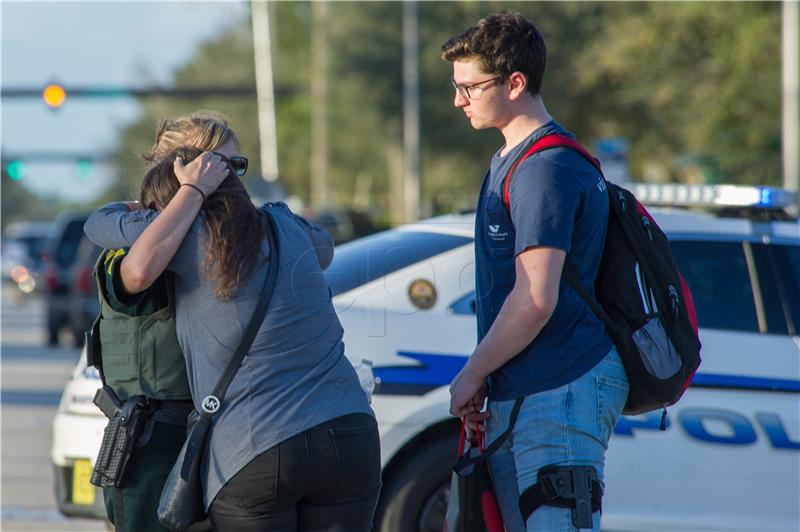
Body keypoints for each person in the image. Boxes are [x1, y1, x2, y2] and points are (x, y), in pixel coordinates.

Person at [84, 131, 381, 529]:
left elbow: (102, 226)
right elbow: (324, 245)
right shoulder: (284, 224)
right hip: (350, 431)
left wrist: (187, 191)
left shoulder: (188, 238)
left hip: (258, 446)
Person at [442, 12, 629, 532]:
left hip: (560, 388)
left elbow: (535, 298)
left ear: (515, 82)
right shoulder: (513, 158)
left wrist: (472, 373)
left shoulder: (544, 169)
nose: (459, 100)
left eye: (470, 87)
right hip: (535, 388)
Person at [91, 111, 246, 532]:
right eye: (221, 168)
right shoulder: (131, 249)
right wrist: (192, 194)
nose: (233, 181)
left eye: (237, 168)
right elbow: (138, 275)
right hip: (153, 445)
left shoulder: (226, 245)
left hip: (221, 440)